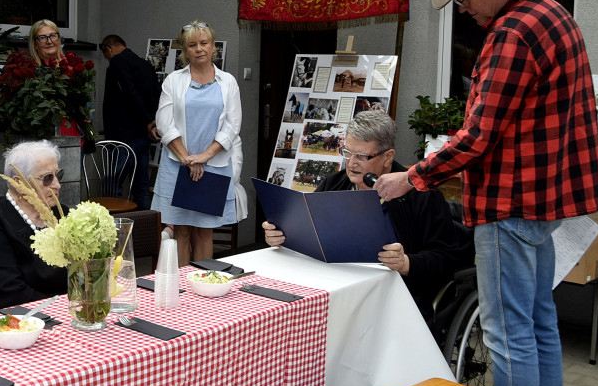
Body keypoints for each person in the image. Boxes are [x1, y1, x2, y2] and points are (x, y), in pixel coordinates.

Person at [374, 0, 598, 386]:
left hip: (510, 203)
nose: (463, 9)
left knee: (510, 338)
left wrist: (411, 177)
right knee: (539, 329)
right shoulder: (553, 14)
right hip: (543, 202)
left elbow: (479, 135)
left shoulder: (511, 32)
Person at [262, 110, 470, 327]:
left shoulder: (421, 195)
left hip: (393, 298)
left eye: (362, 156)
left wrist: (406, 262)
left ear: (388, 157)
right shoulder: (334, 184)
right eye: (347, 153)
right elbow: (309, 229)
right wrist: (282, 234)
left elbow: (446, 259)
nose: (351, 164)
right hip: (337, 287)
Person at [151, 21, 246, 265]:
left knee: (205, 231)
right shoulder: (173, 80)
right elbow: (164, 123)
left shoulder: (228, 81)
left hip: (214, 166)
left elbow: (232, 125)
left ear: (213, 46)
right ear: (185, 50)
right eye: (192, 45)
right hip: (177, 164)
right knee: (181, 231)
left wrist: (204, 157)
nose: (199, 49)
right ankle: (183, 285)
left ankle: (203, 282)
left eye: (204, 43)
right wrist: (188, 159)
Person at [0, 140, 68, 313]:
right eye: (47, 178)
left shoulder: (60, 214)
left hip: (62, 311)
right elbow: (9, 294)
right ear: (19, 184)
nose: (57, 185)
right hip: (13, 319)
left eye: (58, 175)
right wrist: (65, 307)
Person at [99, 34, 160, 209]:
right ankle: (143, 224)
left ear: (108, 49)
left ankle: (113, 224)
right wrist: (151, 120)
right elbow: (156, 94)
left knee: (112, 183)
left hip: (123, 134)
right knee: (141, 185)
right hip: (143, 134)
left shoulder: (117, 62)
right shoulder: (145, 64)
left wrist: (147, 119)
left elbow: (130, 92)